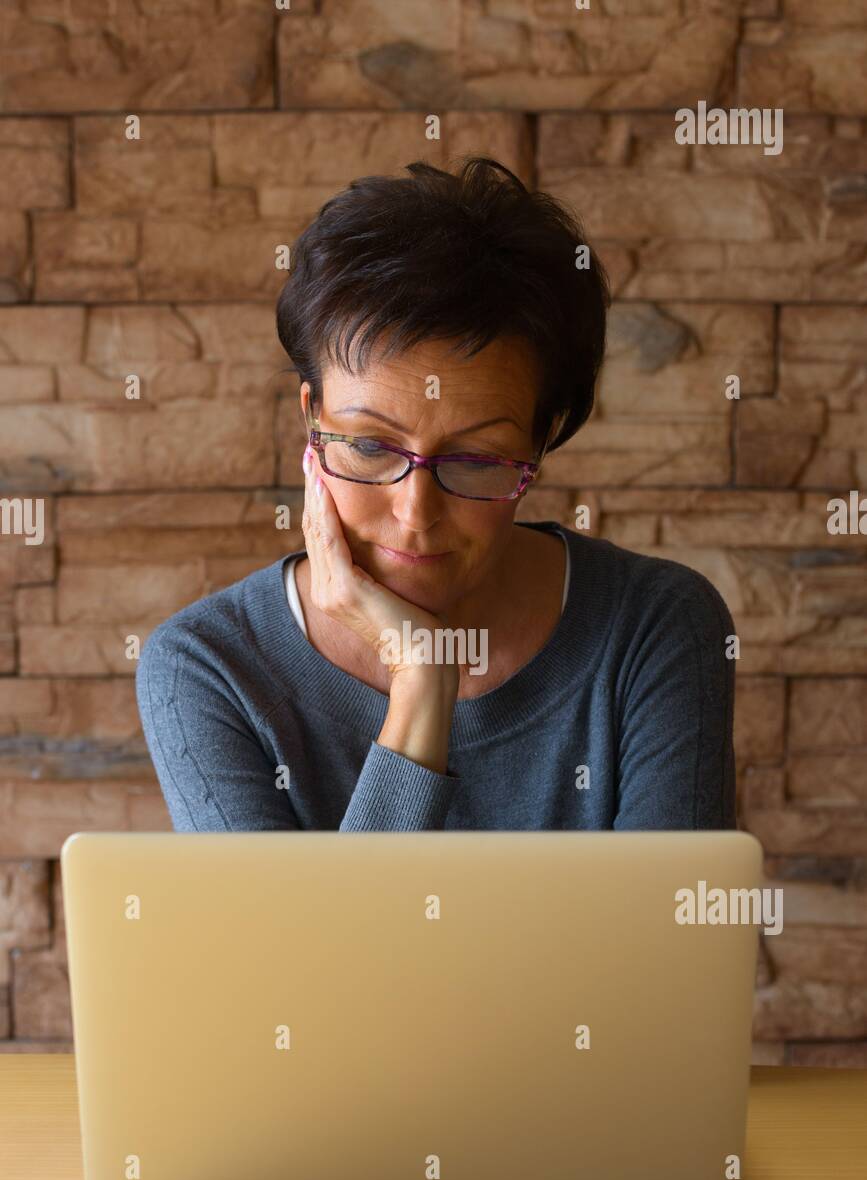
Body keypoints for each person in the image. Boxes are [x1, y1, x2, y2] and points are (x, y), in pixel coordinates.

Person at [136, 156, 735, 832]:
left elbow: (672, 935)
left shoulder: (654, 627)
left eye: (476, 458)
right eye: (368, 446)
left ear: (543, 440)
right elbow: (307, 945)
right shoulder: (210, 666)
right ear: (311, 419)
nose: (415, 513)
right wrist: (423, 684)